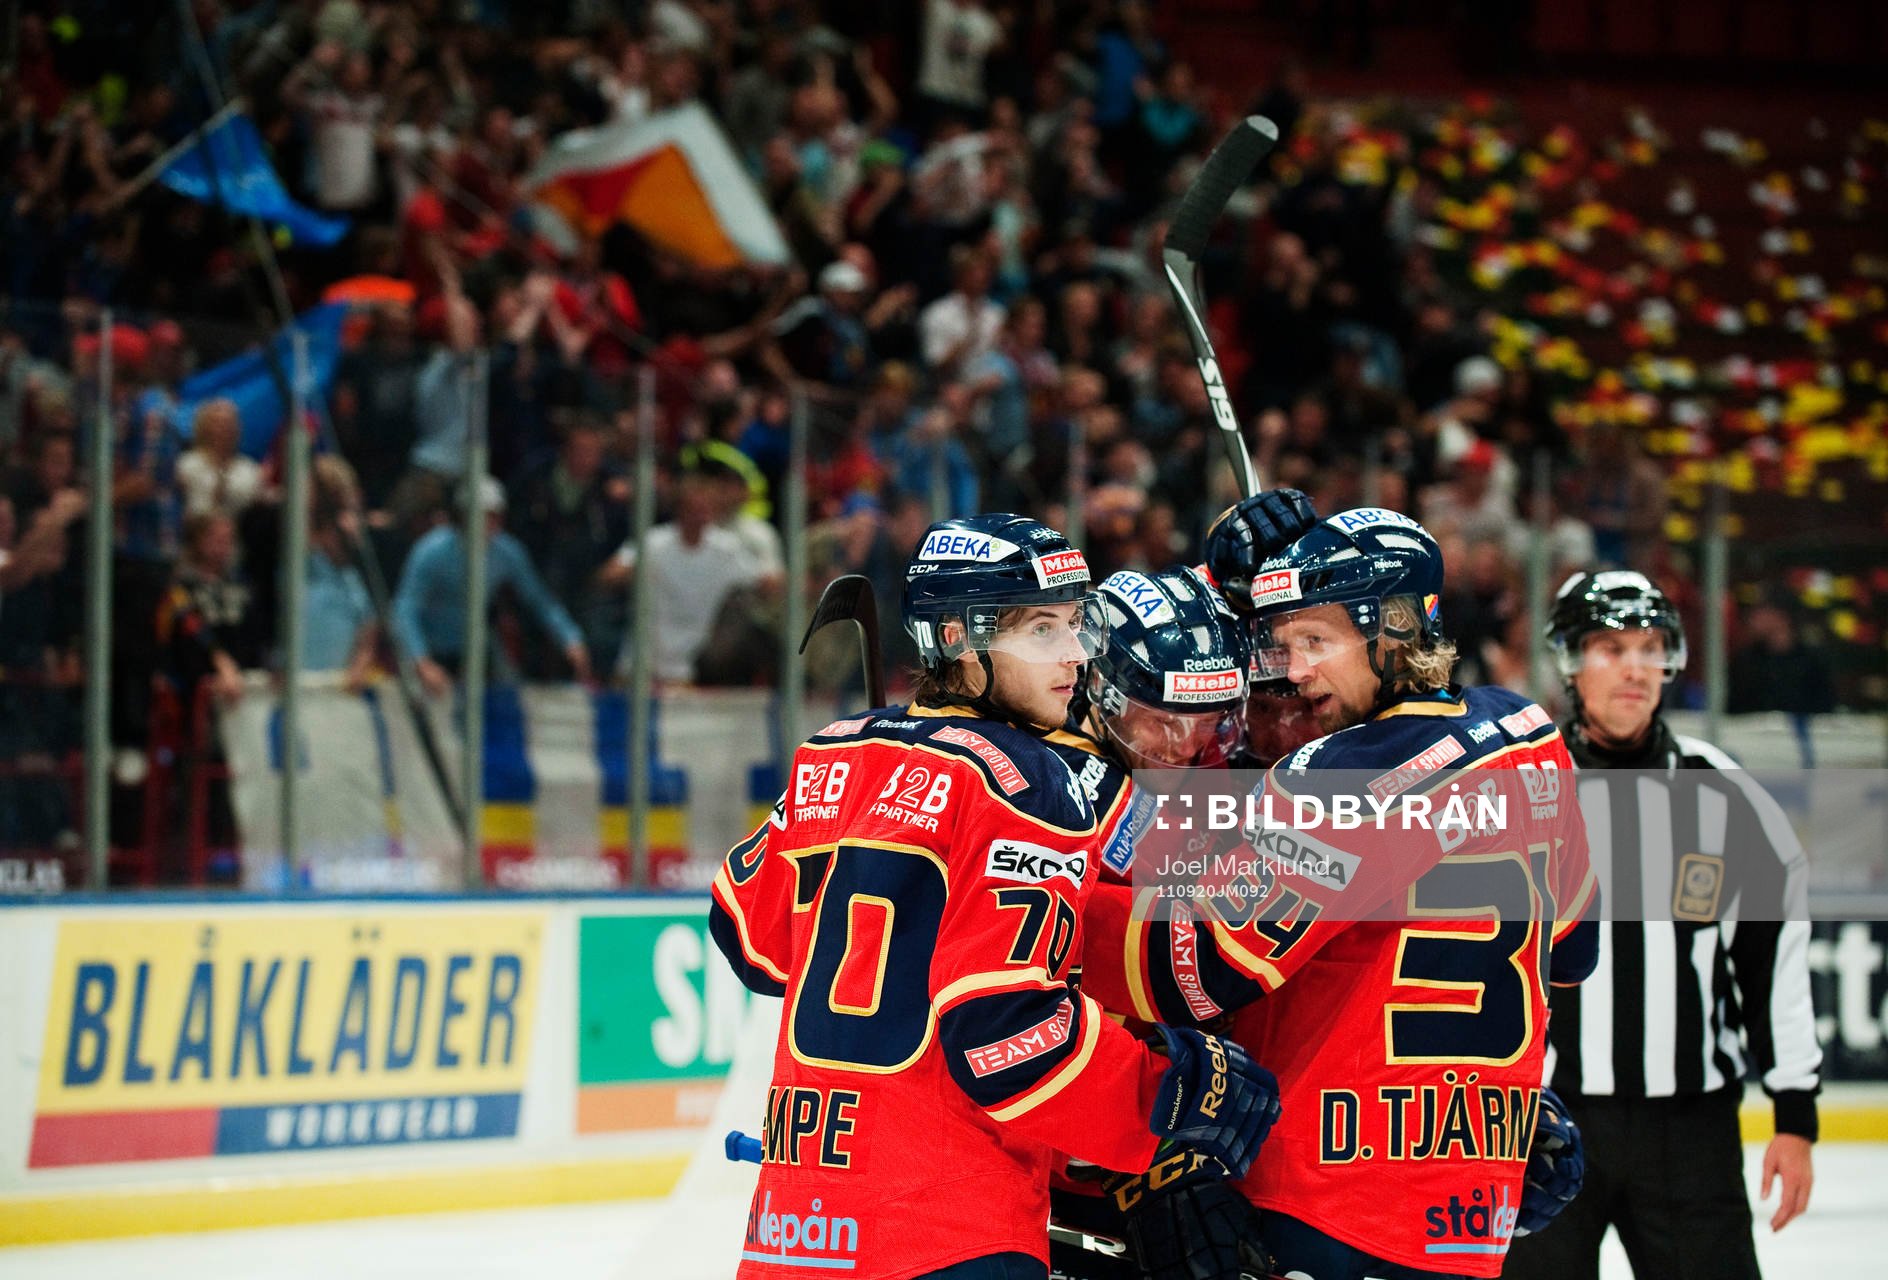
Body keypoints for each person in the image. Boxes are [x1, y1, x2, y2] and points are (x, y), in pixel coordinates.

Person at [707, 514, 1282, 1280]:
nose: (1075, 654)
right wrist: (1173, 1093)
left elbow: (746, 933)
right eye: (1044, 629)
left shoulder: (832, 754)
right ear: (955, 637)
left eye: (1076, 624)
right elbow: (1007, 1039)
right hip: (946, 1231)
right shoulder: (1027, 781)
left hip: (796, 1227)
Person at [1081, 508, 1598, 1280]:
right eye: (1283, 644)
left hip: (1326, 1203)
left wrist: (1039, 911)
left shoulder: (1338, 779)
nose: (1293, 671)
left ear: (1396, 630)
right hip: (1473, 1200)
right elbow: (1573, 951)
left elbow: (1189, 967)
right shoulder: (1529, 733)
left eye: (1316, 643)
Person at [1502, 571, 1821, 1280]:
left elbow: (1772, 963)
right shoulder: (1518, 792)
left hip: (1690, 1130)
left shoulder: (1727, 797)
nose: (1636, 668)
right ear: (1571, 661)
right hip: (1540, 1122)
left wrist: (1795, 1114)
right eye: (1612, 648)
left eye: (1651, 648)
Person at [391, 477, 591, 695]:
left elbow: (538, 599)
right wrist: (421, 661)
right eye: (482, 516)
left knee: (508, 690)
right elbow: (406, 607)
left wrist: (570, 638)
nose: (489, 524)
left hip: (475, 648)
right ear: (464, 516)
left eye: (494, 516)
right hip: (431, 646)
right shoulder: (431, 550)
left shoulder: (507, 552)